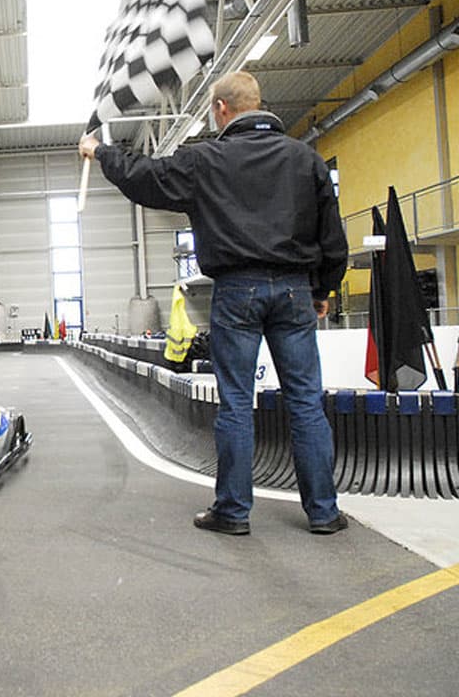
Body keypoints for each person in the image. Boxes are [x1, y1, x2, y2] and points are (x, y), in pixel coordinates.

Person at [78, 70, 348, 536]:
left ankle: (233, 511)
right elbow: (332, 238)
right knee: (305, 401)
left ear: (222, 109)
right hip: (294, 291)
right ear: (258, 104)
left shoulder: (206, 159)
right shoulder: (307, 160)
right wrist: (322, 289)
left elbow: (146, 179)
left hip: (237, 291)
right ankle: (323, 512)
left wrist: (100, 152)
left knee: (237, 404)